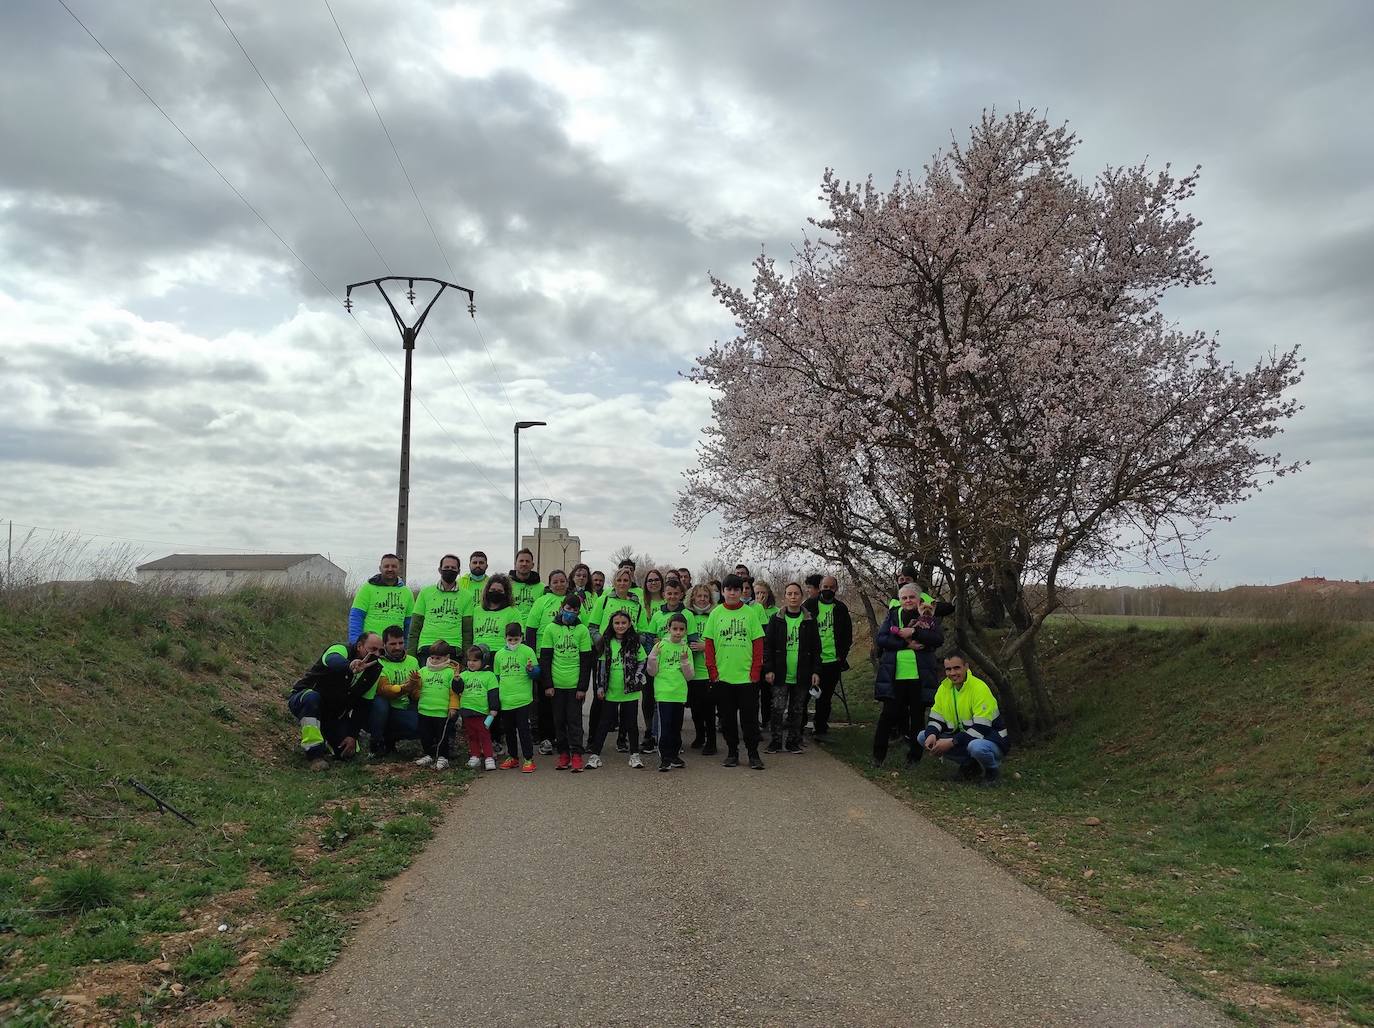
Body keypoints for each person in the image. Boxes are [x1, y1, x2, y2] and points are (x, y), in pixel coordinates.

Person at [873, 584, 945, 767]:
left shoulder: (928, 616)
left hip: (920, 677)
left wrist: (914, 632)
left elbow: (937, 639)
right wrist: (906, 645)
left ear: (919, 599)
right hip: (894, 675)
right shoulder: (893, 615)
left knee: (917, 717)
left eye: (911, 597)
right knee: (888, 715)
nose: (908, 601)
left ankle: (914, 757)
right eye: (904, 598)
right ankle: (878, 756)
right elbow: (881, 639)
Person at [287, 633, 383, 770]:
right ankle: (314, 753)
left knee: (347, 753)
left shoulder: (375, 670)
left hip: (333, 712)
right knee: (312, 698)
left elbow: (363, 705)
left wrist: (352, 735)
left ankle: (327, 739)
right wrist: (350, 665)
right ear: (360, 646)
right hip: (305, 697)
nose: (377, 654)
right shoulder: (341, 649)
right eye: (372, 649)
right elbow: (331, 659)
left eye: (380, 651)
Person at [918, 653, 1010, 786]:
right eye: (948, 669)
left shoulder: (979, 688)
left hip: (992, 740)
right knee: (923, 736)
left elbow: (981, 729)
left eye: (957, 668)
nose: (952, 673)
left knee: (976, 747)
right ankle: (969, 766)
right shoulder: (944, 688)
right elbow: (936, 718)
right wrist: (932, 734)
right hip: (965, 738)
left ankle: (992, 772)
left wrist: (952, 741)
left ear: (966, 667)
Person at [704, 574, 766, 770]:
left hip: (746, 678)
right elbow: (709, 643)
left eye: (736, 590)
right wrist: (712, 671)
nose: (732, 593)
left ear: (742, 592)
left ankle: (753, 753)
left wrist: (756, 670)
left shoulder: (750, 613)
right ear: (722, 592)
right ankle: (732, 752)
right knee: (727, 718)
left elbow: (758, 644)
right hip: (723, 677)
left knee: (749, 720)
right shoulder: (716, 614)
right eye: (728, 589)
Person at [537, 593, 594, 772]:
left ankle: (577, 754)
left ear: (578, 612)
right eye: (568, 609)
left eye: (574, 610)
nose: (570, 613)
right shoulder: (550, 629)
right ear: (562, 608)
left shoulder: (582, 631)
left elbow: (586, 661)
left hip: (574, 685)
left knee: (574, 721)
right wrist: (548, 685)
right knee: (559, 721)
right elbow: (545, 659)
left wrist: (582, 687)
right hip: (556, 685)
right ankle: (563, 754)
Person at [762, 583, 820, 754]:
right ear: (784, 597)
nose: (793, 597)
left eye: (796, 593)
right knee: (778, 708)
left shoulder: (809, 620)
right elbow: (768, 647)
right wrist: (769, 669)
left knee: (797, 709)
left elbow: (817, 648)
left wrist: (816, 671)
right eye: (789, 594)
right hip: (780, 672)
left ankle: (793, 741)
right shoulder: (776, 619)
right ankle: (775, 741)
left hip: (803, 672)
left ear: (801, 596)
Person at [585, 610, 648, 769]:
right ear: (612, 625)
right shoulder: (605, 642)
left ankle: (634, 755)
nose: (620, 626)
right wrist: (600, 686)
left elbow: (642, 662)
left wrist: (637, 678)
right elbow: (600, 667)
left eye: (624, 623)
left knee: (631, 724)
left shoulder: (635, 642)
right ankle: (595, 755)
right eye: (617, 623)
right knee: (604, 724)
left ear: (629, 624)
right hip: (610, 691)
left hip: (630, 692)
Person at [524, 568, 569, 754]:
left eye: (562, 581)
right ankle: (546, 738)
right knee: (544, 699)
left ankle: (563, 736)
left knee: (564, 699)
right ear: (549, 585)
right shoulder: (542, 601)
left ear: (567, 582)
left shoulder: (574, 601)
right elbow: (531, 630)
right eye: (555, 581)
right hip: (545, 656)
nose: (559, 584)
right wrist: (534, 656)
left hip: (567, 657)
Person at [802, 575, 853, 739]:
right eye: (825, 586)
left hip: (832, 661)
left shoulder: (841, 608)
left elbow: (847, 635)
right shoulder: (809, 605)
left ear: (836, 589)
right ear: (820, 587)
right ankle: (799, 725)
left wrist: (841, 656)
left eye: (831, 587)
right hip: (811, 660)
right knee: (803, 695)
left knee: (824, 699)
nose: (828, 590)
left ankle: (820, 728)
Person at [647, 613, 694, 771]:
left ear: (686, 631)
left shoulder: (686, 648)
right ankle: (665, 757)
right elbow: (652, 672)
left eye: (681, 629)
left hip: (679, 693)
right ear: (668, 629)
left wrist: (685, 661)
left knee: (676, 726)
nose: (678, 632)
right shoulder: (660, 646)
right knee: (665, 725)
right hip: (664, 692)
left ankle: (674, 755)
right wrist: (653, 658)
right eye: (675, 628)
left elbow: (689, 676)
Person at [494, 622, 540, 772]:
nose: (513, 642)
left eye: (516, 639)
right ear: (505, 638)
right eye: (510, 639)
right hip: (505, 700)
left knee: (523, 729)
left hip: (523, 699)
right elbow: (497, 677)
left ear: (521, 637)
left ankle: (528, 758)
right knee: (508, 730)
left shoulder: (528, 652)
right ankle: (512, 757)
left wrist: (531, 670)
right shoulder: (499, 655)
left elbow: (537, 673)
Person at [370, 626, 421, 756]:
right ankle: (377, 742)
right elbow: (384, 689)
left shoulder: (413, 661)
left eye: (401, 643)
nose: (398, 647)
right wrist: (405, 688)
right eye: (393, 644)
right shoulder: (378, 662)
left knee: (423, 723)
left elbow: (417, 690)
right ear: (384, 644)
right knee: (380, 703)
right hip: (385, 710)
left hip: (406, 707)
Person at [411, 554, 469, 658]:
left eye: (453, 568)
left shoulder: (467, 596)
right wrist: (411, 655)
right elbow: (415, 627)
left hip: (453, 648)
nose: (449, 570)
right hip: (427, 646)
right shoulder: (425, 592)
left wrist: (466, 658)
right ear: (439, 570)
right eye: (446, 567)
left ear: (459, 571)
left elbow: (467, 632)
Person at [348, 554, 414, 645]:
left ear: (399, 568)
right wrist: (355, 644)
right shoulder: (367, 588)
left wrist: (406, 646)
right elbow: (356, 617)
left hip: (395, 647)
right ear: (380, 568)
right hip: (370, 646)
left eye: (394, 566)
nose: (390, 569)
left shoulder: (407, 592)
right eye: (386, 566)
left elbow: (409, 624)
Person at [452, 645, 499, 771]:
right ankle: (475, 756)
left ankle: (489, 757)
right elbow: (457, 690)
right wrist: (456, 681)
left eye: (475, 660)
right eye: (469, 660)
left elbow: (493, 693)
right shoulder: (464, 674)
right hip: (467, 710)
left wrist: (494, 709)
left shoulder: (489, 675)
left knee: (484, 735)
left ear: (483, 661)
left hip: (482, 711)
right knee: (472, 735)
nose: (471, 663)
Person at [414, 640, 459, 769]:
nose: (434, 660)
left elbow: (454, 693)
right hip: (424, 709)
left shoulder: (451, 672)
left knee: (442, 736)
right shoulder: (422, 671)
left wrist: (453, 707)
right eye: (432, 657)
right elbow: (417, 689)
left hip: (442, 711)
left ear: (447, 657)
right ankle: (428, 754)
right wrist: (414, 682)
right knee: (425, 735)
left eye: (438, 658)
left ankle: (443, 757)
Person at [686, 583, 716, 753]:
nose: (702, 599)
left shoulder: (715, 615)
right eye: (699, 596)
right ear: (693, 598)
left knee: (709, 709)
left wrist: (706, 647)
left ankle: (712, 742)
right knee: (696, 708)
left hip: (708, 671)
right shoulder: (688, 615)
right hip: (692, 670)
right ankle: (700, 736)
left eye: (706, 596)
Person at [464, 572, 514, 666]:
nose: (495, 592)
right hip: (478, 656)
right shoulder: (476, 611)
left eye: (499, 591)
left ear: (506, 593)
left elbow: (516, 639)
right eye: (493, 589)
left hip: (501, 656)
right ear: (487, 590)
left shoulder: (512, 612)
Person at [751, 580, 779, 727]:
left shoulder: (776, 611)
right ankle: (754, 722)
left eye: (763, 593)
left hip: (770, 655)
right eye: (757, 593)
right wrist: (759, 608)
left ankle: (767, 720)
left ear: (769, 594)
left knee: (768, 692)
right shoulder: (750, 609)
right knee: (755, 692)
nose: (760, 596)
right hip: (754, 656)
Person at [508, 548, 545, 626]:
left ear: (532, 565)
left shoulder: (542, 588)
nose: (524, 564)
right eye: (521, 561)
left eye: (527, 561)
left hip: (532, 631)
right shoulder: (506, 585)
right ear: (515, 564)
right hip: (510, 632)